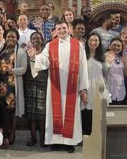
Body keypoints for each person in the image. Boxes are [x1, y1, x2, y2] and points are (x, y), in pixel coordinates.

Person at [27, 20, 88, 153]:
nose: (62, 31)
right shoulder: (50, 45)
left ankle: (70, 142)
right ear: (55, 31)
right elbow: (43, 61)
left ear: (69, 29)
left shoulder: (78, 45)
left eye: (64, 28)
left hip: (72, 84)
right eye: (59, 29)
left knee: (70, 113)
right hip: (55, 85)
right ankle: (56, 141)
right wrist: (34, 57)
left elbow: (83, 66)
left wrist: (83, 87)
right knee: (55, 112)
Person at [0, 28, 27, 145]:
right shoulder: (1, 50)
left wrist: (12, 70)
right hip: (1, 85)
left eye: (13, 37)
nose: (11, 39)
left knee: (13, 111)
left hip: (13, 85)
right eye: (8, 36)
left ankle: (13, 132)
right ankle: (5, 132)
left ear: (17, 38)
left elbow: (24, 69)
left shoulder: (21, 51)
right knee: (3, 110)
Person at [24, 32, 48, 147]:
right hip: (30, 84)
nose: (36, 40)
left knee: (42, 113)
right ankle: (33, 138)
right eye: (33, 38)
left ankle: (43, 139)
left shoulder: (46, 51)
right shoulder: (26, 51)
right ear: (30, 40)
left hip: (43, 84)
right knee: (31, 113)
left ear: (42, 40)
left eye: (38, 38)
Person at [82, 33, 109, 135]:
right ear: (87, 41)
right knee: (87, 112)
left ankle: (98, 135)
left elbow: (106, 74)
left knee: (98, 112)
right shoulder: (83, 55)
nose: (93, 43)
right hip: (87, 86)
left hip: (99, 86)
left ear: (99, 42)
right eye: (91, 40)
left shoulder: (102, 56)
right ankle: (87, 136)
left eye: (96, 40)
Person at [104, 38, 127, 105]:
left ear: (122, 48)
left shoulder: (122, 57)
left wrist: (125, 62)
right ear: (110, 46)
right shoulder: (104, 56)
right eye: (114, 45)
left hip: (120, 92)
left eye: (119, 46)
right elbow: (103, 73)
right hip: (108, 91)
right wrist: (108, 62)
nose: (116, 47)